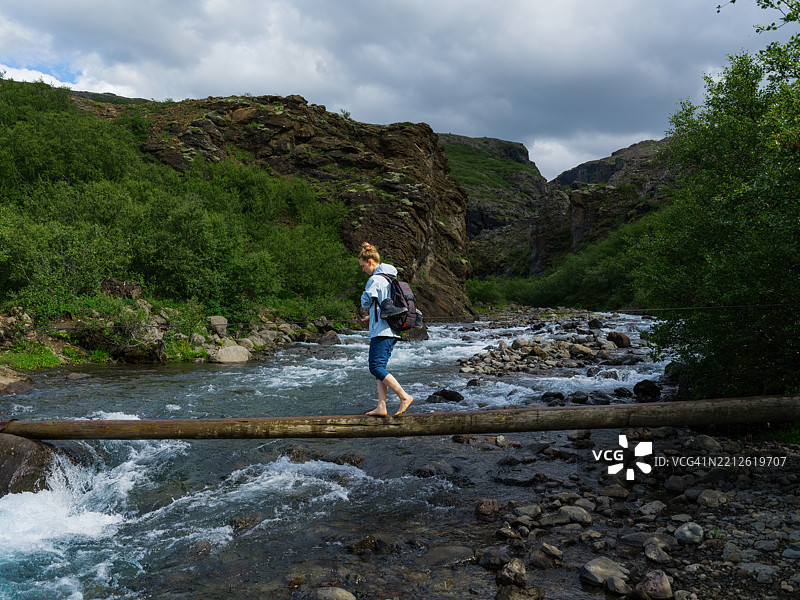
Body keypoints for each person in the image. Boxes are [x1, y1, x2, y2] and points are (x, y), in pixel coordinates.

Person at [358, 242, 414, 417]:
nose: (363, 270)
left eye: (363, 266)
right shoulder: (389, 279)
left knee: (375, 367)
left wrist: (365, 297)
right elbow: (386, 305)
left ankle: (404, 396)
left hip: (382, 331)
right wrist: (372, 315)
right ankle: (381, 406)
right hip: (390, 329)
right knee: (380, 368)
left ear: (370, 262)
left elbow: (365, 302)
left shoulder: (375, 279)